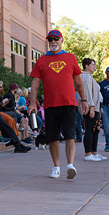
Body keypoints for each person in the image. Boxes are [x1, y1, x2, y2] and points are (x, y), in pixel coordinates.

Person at [29, 30, 88, 180]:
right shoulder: (41, 61)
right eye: (50, 40)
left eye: (56, 39)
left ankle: (70, 165)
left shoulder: (70, 58)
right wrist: (33, 103)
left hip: (69, 104)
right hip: (50, 105)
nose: (53, 42)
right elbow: (35, 83)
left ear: (61, 40)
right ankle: (56, 167)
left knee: (69, 135)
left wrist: (84, 100)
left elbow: (78, 81)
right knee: (52, 138)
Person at [0, 79, 31, 153]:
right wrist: (2, 103)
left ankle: (18, 144)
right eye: (0, 86)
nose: (1, 88)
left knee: (7, 127)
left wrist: (2, 103)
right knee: (7, 126)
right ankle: (18, 144)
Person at [81, 58, 107, 162]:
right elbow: (87, 94)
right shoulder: (86, 77)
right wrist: (91, 107)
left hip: (96, 107)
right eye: (92, 64)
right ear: (86, 66)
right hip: (90, 107)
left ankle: (94, 152)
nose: (94, 66)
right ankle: (88, 154)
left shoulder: (90, 77)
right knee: (90, 129)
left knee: (96, 130)